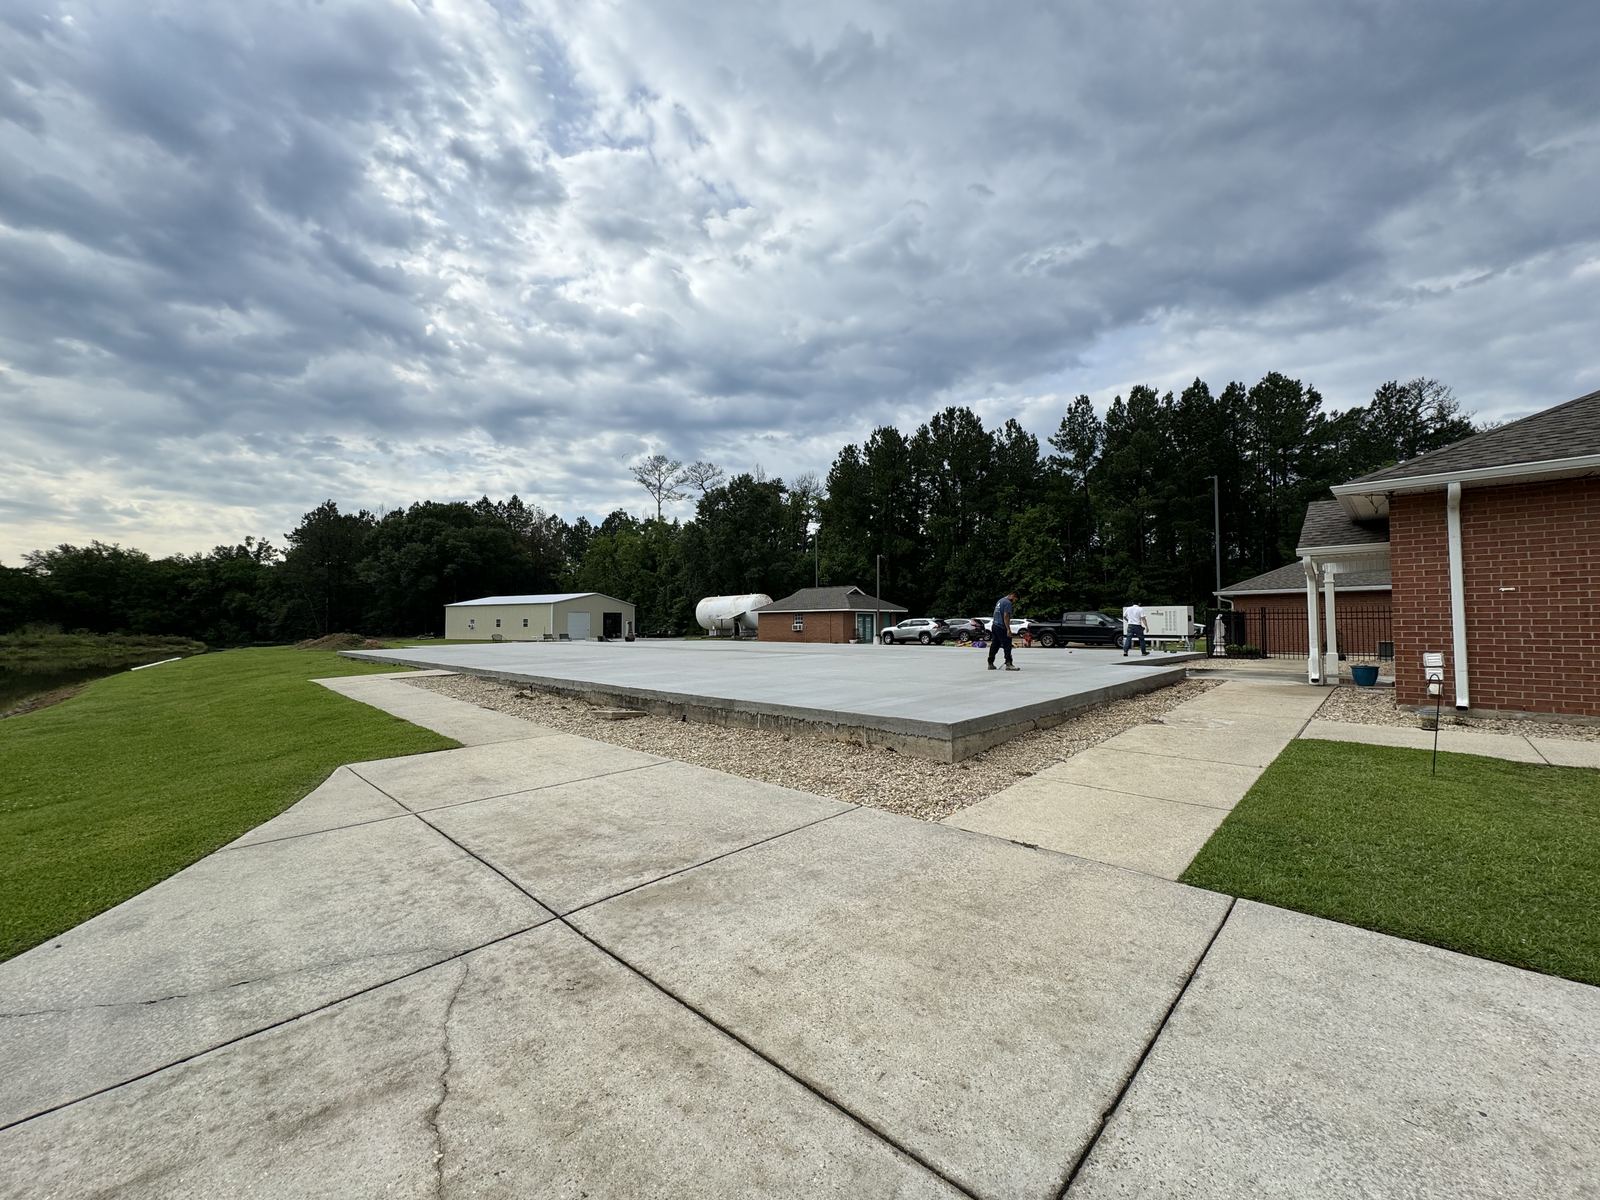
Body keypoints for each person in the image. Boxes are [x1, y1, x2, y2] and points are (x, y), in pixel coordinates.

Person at [988, 590, 1021, 671]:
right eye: (1015, 599)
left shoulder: (1000, 601)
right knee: (1007, 645)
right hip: (1001, 627)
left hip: (995, 625)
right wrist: (1008, 629)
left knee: (995, 645)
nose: (1014, 602)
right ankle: (1009, 664)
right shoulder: (1007, 603)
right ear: (1013, 596)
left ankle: (990, 663)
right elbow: (1006, 616)